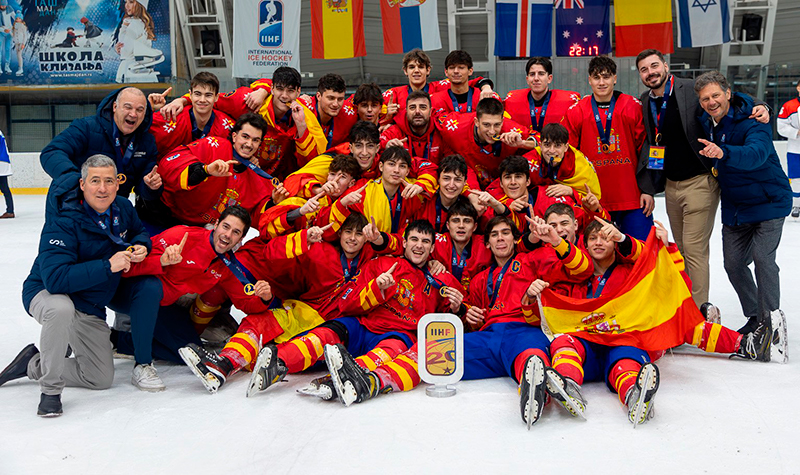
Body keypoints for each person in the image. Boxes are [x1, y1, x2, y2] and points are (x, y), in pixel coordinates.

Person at [0, 155, 163, 417]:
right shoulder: (63, 221)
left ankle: (32, 363)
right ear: (83, 184)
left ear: (118, 184)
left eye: (109, 181)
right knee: (61, 309)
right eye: (95, 181)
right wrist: (107, 266)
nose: (102, 188)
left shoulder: (122, 208)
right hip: (47, 292)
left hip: (89, 302)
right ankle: (51, 391)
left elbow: (137, 232)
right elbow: (54, 279)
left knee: (99, 377)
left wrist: (143, 244)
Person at [245, 219, 464, 398]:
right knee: (328, 333)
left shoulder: (442, 279)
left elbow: (450, 327)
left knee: (390, 348)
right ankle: (277, 363)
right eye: (414, 239)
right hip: (363, 326)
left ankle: (342, 379)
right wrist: (376, 289)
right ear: (404, 243)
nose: (419, 245)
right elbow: (347, 304)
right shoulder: (381, 264)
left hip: (398, 334)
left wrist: (456, 309)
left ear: (433, 248)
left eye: (425, 241)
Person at [635, 49, 770, 308]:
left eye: (654, 66)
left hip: (699, 182)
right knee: (682, 250)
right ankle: (684, 307)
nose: (650, 72)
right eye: (644, 69)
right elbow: (653, 144)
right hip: (671, 186)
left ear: (665, 65)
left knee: (695, 251)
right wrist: (650, 187)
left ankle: (697, 316)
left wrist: (760, 105)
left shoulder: (688, 88)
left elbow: (728, 97)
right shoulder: (645, 100)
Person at [694, 71, 792, 334]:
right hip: (737, 206)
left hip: (769, 200)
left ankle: (769, 324)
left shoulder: (753, 119)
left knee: (763, 259)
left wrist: (724, 152)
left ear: (728, 93)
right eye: (705, 98)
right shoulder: (706, 120)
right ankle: (754, 316)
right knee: (734, 264)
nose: (711, 102)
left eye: (716, 95)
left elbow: (757, 154)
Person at [562, 55, 651, 241]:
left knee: (641, 254)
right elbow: (566, 154)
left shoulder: (633, 107)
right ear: (589, 80)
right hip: (594, 201)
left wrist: (649, 190)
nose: (601, 82)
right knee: (599, 257)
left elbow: (648, 151)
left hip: (633, 199)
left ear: (615, 78)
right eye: (596, 77)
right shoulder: (576, 111)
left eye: (606, 76)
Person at [157, 113, 282, 227]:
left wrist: (274, 202)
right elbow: (170, 163)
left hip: (209, 232)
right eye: (245, 137)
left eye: (255, 140)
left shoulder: (257, 176)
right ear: (234, 136)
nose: (249, 144)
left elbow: (255, 215)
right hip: (168, 216)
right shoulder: (213, 146)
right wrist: (205, 170)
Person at [437, 97, 537, 190]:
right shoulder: (454, 125)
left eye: (497, 125)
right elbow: (433, 114)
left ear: (502, 121)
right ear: (476, 122)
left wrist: (522, 143)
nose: (492, 131)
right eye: (486, 125)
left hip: (502, 186)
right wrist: (484, 84)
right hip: (468, 181)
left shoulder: (511, 129)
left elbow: (541, 140)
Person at [148, 72, 235, 157]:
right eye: (197, 94)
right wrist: (149, 109)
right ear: (190, 94)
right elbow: (140, 128)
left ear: (216, 97)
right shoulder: (171, 115)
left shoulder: (227, 127)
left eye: (208, 95)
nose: (202, 100)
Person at [503, 57, 581, 139]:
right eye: (532, 74)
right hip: (523, 150)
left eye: (541, 74)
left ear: (549, 78)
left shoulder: (570, 102)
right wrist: (487, 85)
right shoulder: (511, 100)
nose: (536, 78)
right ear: (527, 79)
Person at [430, 50, 495, 115]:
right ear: (446, 72)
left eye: (461, 67)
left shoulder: (485, 96)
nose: (456, 71)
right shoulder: (435, 100)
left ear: (470, 71)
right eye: (452, 68)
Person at [113, 0, 156, 83]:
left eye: (131, 2)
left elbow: (125, 50)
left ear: (140, 5)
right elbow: (123, 45)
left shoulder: (135, 24)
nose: (127, 5)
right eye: (126, 2)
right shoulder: (138, 22)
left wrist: (119, 48)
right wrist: (124, 26)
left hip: (133, 70)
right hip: (138, 69)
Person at [777, 79, 800, 217]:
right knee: (796, 178)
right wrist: (797, 132)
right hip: (795, 150)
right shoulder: (789, 106)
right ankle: (796, 205)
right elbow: (781, 126)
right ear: (798, 88)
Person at [0, 128, 12, 218]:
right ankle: (10, 211)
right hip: (3, 162)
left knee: (4, 188)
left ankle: (10, 211)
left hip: (1, 162)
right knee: (5, 188)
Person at [0, 0, 13, 74]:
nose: (3, 7)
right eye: (1, 5)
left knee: (8, 49)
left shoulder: (9, 9)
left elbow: (15, 18)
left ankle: (7, 66)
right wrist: (3, 29)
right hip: (1, 31)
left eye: (4, 5)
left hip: (9, 31)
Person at [12, 12, 26, 77]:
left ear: (21, 19)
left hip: (21, 42)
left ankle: (21, 68)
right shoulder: (14, 25)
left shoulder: (23, 26)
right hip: (16, 43)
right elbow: (14, 34)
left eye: (19, 18)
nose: (18, 19)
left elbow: (25, 35)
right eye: (17, 18)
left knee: (19, 55)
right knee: (18, 55)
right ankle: (20, 67)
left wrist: (23, 43)